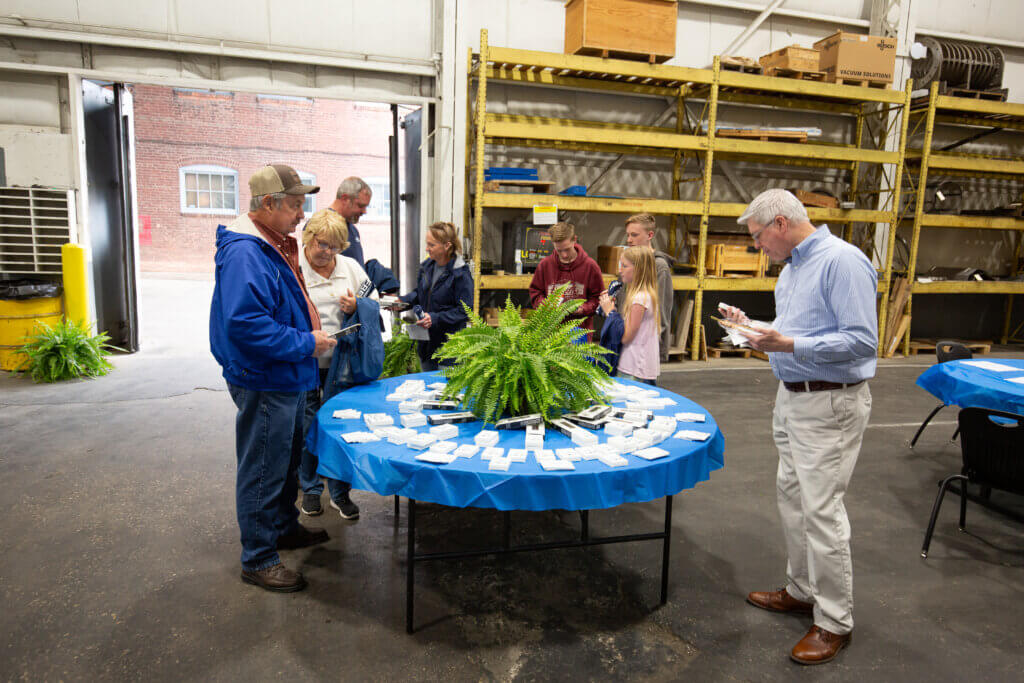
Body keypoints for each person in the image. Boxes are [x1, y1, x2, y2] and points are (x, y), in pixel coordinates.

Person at [727, 188, 876, 666]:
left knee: (821, 511)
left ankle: (834, 621)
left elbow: (860, 342)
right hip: (792, 400)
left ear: (781, 224)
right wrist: (753, 329)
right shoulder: (791, 271)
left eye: (757, 237)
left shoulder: (842, 262)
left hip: (829, 402)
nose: (756, 247)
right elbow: (796, 332)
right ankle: (802, 589)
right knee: (791, 498)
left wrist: (786, 342)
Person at [210, 164, 336, 593]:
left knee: (283, 461)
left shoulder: (271, 242)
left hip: (286, 374)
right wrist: (306, 344)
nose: (301, 215)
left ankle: (283, 527)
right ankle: (259, 558)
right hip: (268, 377)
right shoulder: (247, 252)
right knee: (264, 466)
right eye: (295, 205)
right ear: (269, 204)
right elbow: (245, 324)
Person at [297, 209, 378, 521]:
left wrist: (358, 305)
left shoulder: (350, 268)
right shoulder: (295, 269)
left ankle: (340, 493)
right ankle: (312, 490)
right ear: (308, 238)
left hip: (342, 363)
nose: (326, 253)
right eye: (321, 245)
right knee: (307, 427)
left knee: (341, 425)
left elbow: (374, 298)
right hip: (304, 362)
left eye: (333, 247)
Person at [398, 221, 473, 371]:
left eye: (432, 245)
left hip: (449, 347)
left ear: (447, 246)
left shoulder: (460, 274)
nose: (427, 249)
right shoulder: (427, 267)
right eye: (427, 244)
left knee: (445, 391)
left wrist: (435, 318)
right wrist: (401, 302)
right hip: (427, 344)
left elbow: (464, 310)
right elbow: (420, 294)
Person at [528, 222, 604, 336]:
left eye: (567, 249)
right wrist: (546, 305)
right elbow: (536, 293)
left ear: (574, 240)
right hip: (549, 332)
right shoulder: (545, 265)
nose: (563, 255)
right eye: (559, 250)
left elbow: (598, 298)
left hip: (579, 332)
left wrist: (583, 308)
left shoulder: (590, 266)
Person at [599, 246, 660, 385]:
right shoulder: (646, 295)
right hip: (638, 364)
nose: (620, 270)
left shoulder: (640, 299)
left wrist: (610, 312)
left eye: (625, 266)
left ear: (638, 269)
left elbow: (626, 338)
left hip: (634, 366)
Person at [619, 213, 674, 361]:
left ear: (650, 235)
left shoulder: (659, 266)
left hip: (645, 349)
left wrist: (652, 348)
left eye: (634, 235)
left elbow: (661, 310)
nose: (629, 240)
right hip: (627, 343)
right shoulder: (629, 261)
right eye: (628, 235)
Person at [328, 177, 372, 268]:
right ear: (344, 199)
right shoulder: (322, 226)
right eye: (360, 205)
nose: (364, 212)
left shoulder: (352, 229)